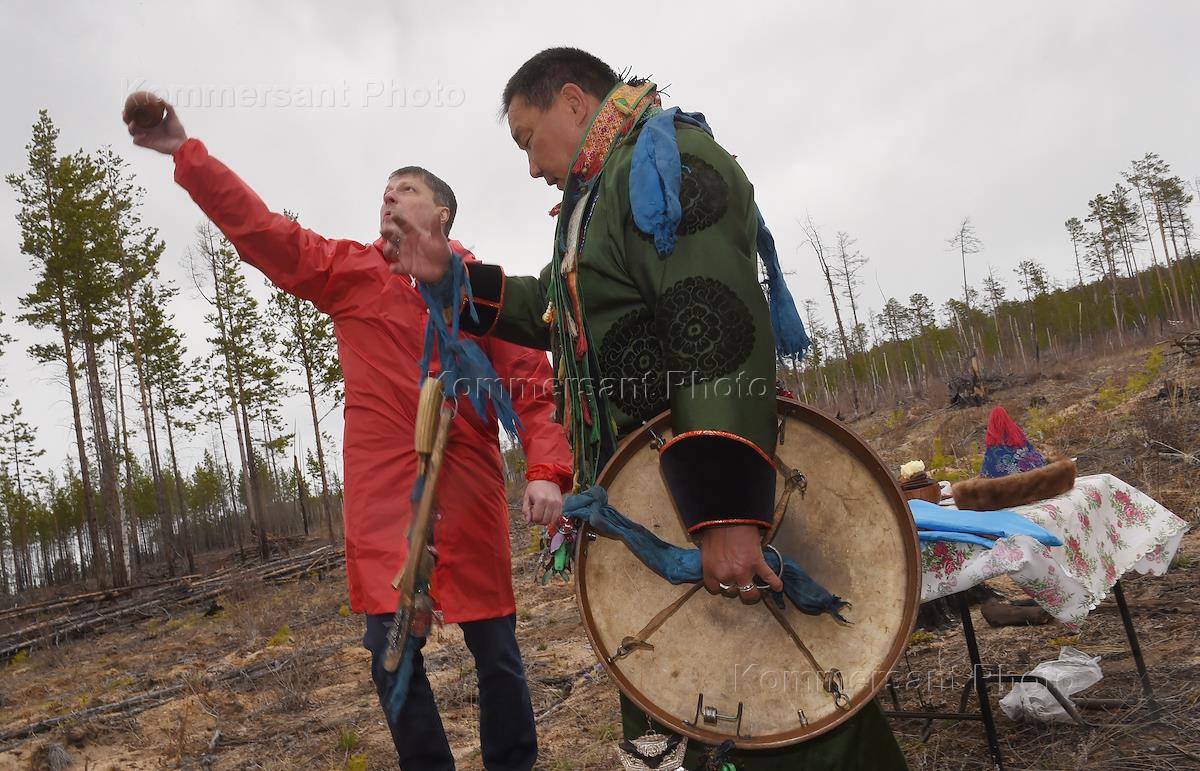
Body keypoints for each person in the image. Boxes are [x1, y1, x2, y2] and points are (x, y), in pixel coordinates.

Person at [379, 48, 909, 769]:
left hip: (709, 505)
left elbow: (711, 328)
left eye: (527, 138)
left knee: (783, 709)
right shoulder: (593, 203)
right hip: (652, 501)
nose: (530, 165)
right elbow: (556, 311)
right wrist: (451, 277)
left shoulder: (662, 163)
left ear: (572, 100)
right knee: (692, 697)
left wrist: (726, 514)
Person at [128, 101, 572, 771]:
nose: (390, 196)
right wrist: (188, 154)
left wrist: (547, 469)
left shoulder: (481, 291)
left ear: (441, 215)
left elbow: (534, 388)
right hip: (385, 506)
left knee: (498, 654)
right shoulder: (348, 273)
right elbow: (264, 232)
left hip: (470, 499)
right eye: (385, 190)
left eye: (408, 188)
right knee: (389, 655)